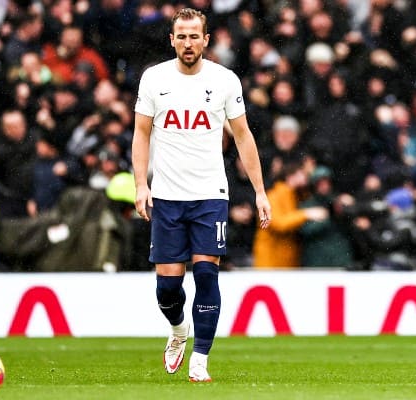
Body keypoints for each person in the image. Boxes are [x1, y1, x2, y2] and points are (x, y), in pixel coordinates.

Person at [131, 8, 271, 382]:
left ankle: (200, 360)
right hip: (167, 196)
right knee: (168, 288)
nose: (188, 43)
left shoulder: (224, 81)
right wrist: (141, 185)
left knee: (207, 274)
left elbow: (243, 136)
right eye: (182, 36)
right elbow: (141, 134)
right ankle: (178, 330)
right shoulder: (154, 79)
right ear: (172, 40)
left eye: (195, 36)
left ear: (206, 40)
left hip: (210, 194)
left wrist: (260, 191)